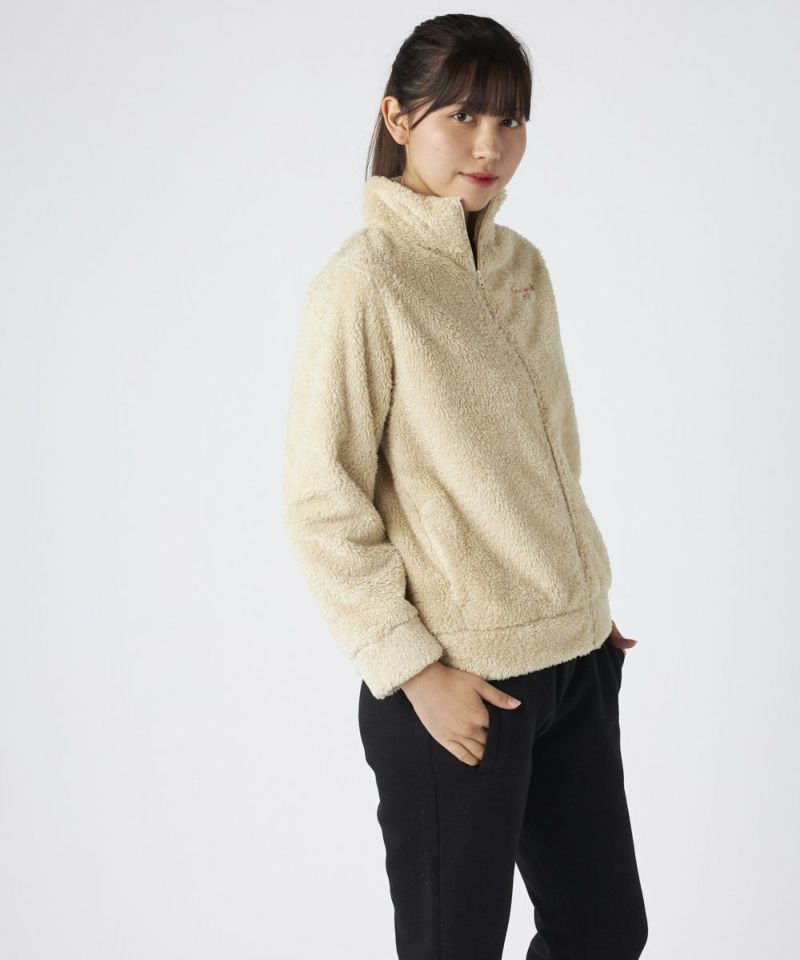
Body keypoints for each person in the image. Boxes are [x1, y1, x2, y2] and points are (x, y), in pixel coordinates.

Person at [282, 13, 648, 960]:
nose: (491, 145)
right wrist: (412, 670)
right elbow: (321, 500)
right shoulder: (366, 283)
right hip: (459, 683)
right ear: (398, 120)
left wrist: (581, 592)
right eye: (463, 117)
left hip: (572, 660)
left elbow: (549, 456)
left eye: (511, 120)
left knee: (607, 932)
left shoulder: (523, 267)